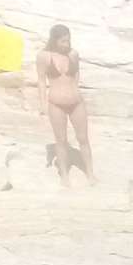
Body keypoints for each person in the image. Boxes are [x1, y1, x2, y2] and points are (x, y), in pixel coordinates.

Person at [35, 24, 95, 186]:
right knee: (61, 140)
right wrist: (43, 104)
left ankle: (90, 173)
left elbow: (76, 74)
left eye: (68, 41)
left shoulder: (73, 54)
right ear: (54, 40)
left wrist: (74, 90)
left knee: (83, 138)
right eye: (63, 41)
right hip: (56, 103)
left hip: (76, 102)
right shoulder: (43, 56)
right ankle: (64, 176)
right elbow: (41, 81)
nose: (66, 44)